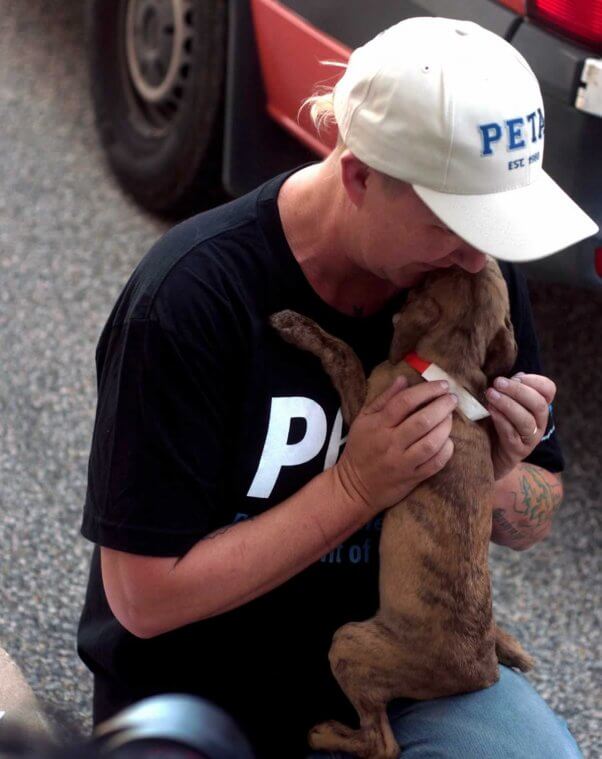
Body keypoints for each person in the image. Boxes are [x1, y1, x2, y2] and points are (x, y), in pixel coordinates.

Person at [77, 17, 595, 759]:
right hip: (200, 693)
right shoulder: (191, 298)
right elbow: (144, 599)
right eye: (456, 220)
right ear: (358, 174)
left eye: (494, 224)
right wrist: (356, 485)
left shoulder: (473, 270)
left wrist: (499, 475)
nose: (479, 254)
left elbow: (534, 511)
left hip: (405, 673)